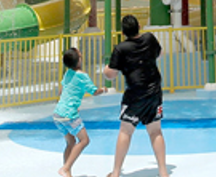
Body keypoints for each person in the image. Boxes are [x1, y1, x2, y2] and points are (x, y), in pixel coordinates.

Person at [103, 15, 167, 177]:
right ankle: (163, 171)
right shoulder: (149, 39)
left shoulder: (121, 49)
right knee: (155, 131)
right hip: (154, 91)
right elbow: (159, 54)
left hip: (134, 94)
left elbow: (111, 74)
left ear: (123, 32)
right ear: (139, 26)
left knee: (125, 131)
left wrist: (105, 69)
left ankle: (116, 172)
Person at [54, 48, 105, 177]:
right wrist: (103, 89)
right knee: (84, 140)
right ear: (78, 61)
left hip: (58, 114)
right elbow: (94, 91)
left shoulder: (67, 73)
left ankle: (67, 173)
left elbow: (61, 92)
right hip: (69, 115)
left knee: (70, 142)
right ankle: (65, 168)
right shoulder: (82, 76)